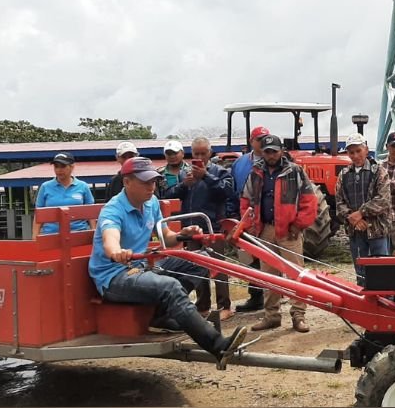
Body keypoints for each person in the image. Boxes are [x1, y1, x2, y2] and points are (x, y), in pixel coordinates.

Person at [88, 157, 248, 367]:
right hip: (114, 276)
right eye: (145, 182)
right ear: (127, 182)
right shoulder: (113, 210)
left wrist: (183, 234)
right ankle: (218, 346)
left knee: (202, 260)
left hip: (141, 267)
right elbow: (110, 239)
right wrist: (117, 251)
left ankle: (162, 316)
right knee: (170, 286)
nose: (151, 187)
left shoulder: (151, 202)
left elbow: (166, 236)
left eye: (153, 182)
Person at [240, 134, 317, 333]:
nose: (271, 155)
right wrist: (250, 226)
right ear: (262, 152)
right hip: (265, 229)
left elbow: (309, 200)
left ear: (281, 150)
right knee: (269, 276)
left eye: (274, 151)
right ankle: (271, 316)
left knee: (296, 275)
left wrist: (298, 225)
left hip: (289, 231)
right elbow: (246, 201)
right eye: (267, 151)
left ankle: (298, 315)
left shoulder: (295, 171)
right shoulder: (256, 173)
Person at [163, 137, 236, 321]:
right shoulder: (185, 173)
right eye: (197, 153)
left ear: (210, 153)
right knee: (196, 267)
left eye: (204, 153)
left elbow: (226, 192)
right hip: (191, 230)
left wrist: (205, 176)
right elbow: (169, 195)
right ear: (191, 153)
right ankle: (203, 305)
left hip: (214, 227)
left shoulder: (220, 171)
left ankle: (224, 306)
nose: (200, 157)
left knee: (219, 267)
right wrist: (183, 185)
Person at [336, 133, 391, 286]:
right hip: (356, 232)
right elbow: (339, 202)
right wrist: (351, 218)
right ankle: (364, 304)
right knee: (361, 273)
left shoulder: (379, 171)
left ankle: (384, 305)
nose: (355, 155)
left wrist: (360, 213)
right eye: (351, 152)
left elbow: (383, 199)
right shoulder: (344, 175)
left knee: (381, 271)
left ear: (366, 150)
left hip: (377, 230)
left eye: (358, 151)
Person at [230, 126, 271, 313]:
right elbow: (234, 192)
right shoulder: (239, 164)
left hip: (269, 219)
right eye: (259, 139)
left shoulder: (275, 160)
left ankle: (274, 299)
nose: (263, 143)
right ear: (251, 141)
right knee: (249, 258)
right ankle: (256, 296)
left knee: (270, 259)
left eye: (266, 139)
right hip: (246, 217)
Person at [32, 152, 96, 238]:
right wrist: (34, 237)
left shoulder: (83, 186)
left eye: (63, 166)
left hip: (79, 234)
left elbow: (91, 213)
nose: (59, 170)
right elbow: (38, 214)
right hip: (51, 235)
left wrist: (94, 235)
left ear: (72, 167)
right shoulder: (45, 187)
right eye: (56, 166)